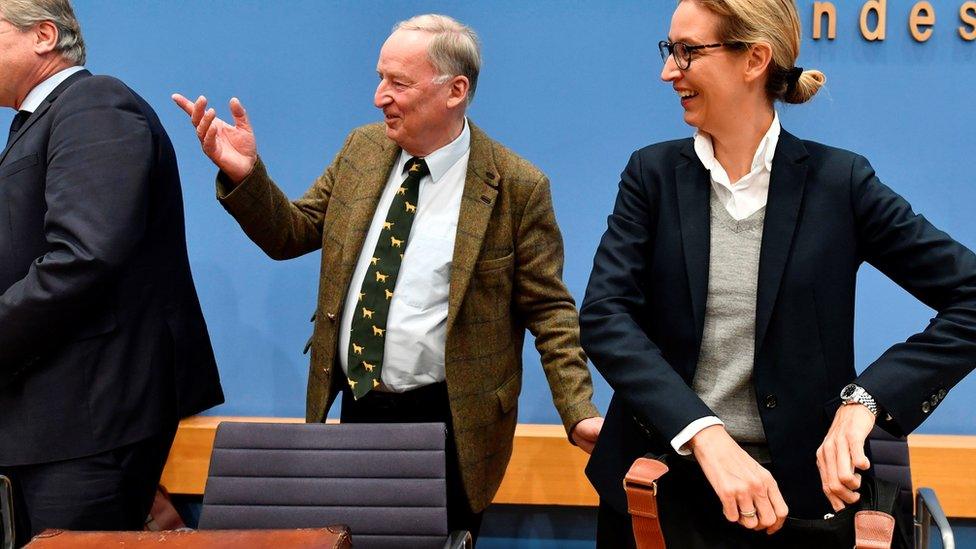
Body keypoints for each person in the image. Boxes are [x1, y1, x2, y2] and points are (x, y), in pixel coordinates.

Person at [173, 13, 602, 540]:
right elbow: (293, 233)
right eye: (380, 78)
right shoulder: (363, 150)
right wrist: (245, 175)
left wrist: (578, 409)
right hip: (359, 407)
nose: (380, 96)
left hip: (452, 421)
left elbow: (549, 310)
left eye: (398, 83)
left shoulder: (515, 186)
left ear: (455, 90)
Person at [579, 0, 976, 547]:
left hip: (797, 509)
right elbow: (604, 316)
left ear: (755, 59)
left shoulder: (841, 183)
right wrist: (704, 433)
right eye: (670, 50)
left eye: (687, 51)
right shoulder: (651, 175)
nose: (668, 71)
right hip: (662, 501)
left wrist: (865, 402)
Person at [0, 1, 224, 545]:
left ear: (44, 35)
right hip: (55, 422)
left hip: (86, 419)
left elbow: (85, 256)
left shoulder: (94, 104)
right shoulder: (41, 121)